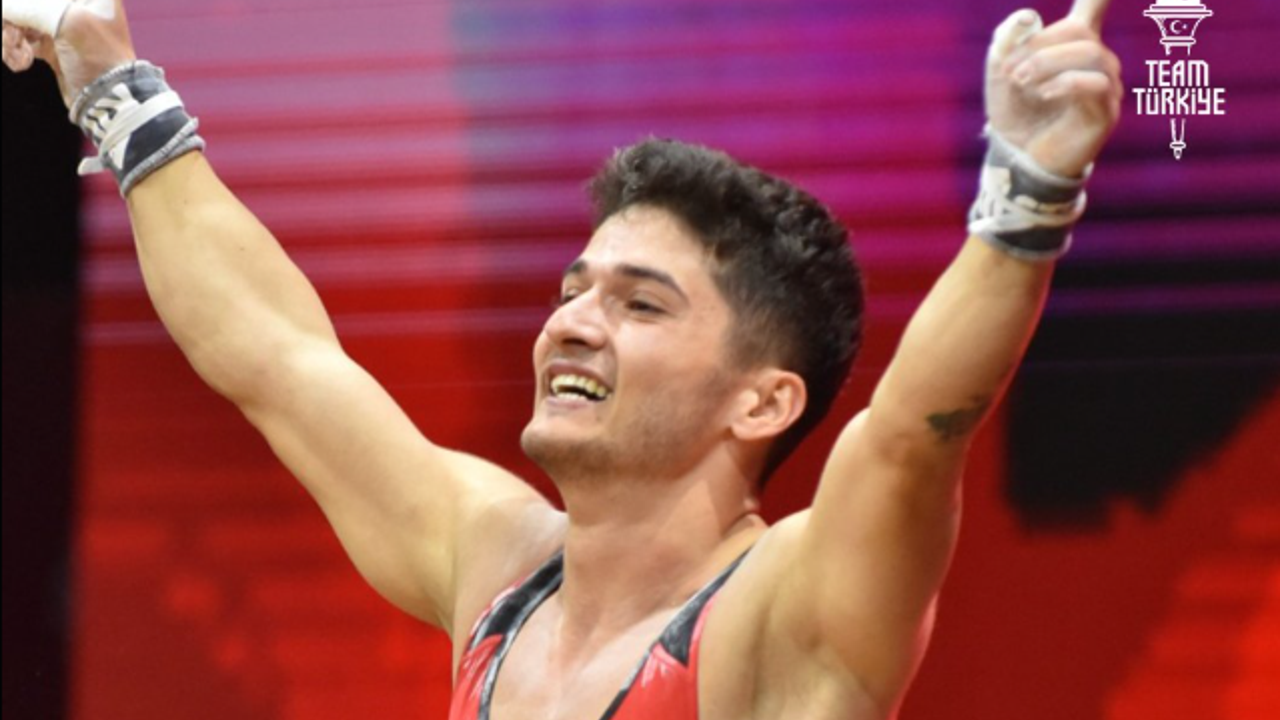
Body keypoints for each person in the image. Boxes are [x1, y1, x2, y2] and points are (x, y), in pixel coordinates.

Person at [1, 0, 1121, 718]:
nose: (574, 324)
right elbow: (274, 351)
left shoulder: (782, 615)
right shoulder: (494, 565)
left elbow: (915, 437)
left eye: (640, 304)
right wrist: (114, 86)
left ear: (763, 401)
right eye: (574, 289)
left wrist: (1027, 196)